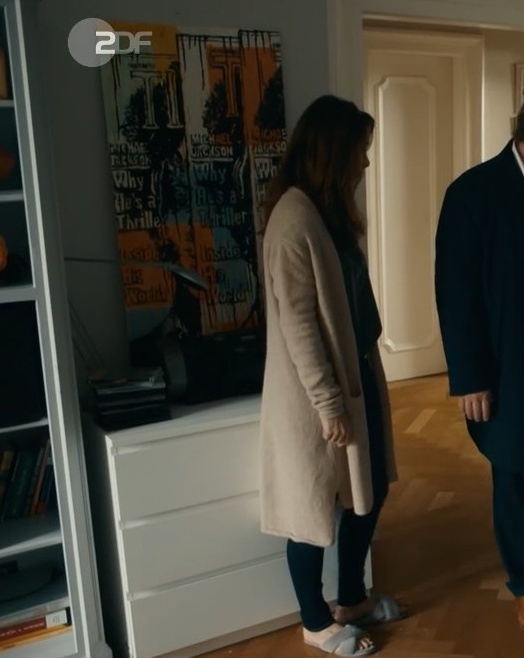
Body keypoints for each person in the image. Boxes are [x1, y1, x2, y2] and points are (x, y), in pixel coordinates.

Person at [259, 95, 404, 657]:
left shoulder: (329, 213)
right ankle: (315, 622)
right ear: (333, 151)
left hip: (357, 374)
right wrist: (328, 405)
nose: (364, 163)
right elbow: (298, 324)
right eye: (360, 151)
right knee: (313, 506)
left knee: (371, 489)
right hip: (315, 395)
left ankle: (351, 599)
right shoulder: (293, 219)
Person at [435, 103, 524, 631]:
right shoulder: (472, 193)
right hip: (507, 364)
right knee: (514, 469)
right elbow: (456, 294)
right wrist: (469, 377)